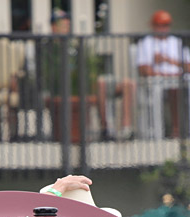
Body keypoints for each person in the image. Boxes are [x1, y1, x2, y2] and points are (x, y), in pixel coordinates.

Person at [42, 9, 135, 141]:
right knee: (98, 85)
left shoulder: (73, 46)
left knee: (126, 84)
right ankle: (106, 128)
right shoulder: (47, 48)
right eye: (63, 25)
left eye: (68, 25)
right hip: (68, 88)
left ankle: (124, 130)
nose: (67, 28)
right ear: (53, 27)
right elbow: (48, 73)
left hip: (87, 83)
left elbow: (86, 67)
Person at [135, 10, 190, 138]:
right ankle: (177, 130)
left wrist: (167, 59)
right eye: (160, 24)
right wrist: (163, 74)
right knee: (175, 88)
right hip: (160, 85)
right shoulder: (146, 43)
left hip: (186, 81)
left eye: (166, 24)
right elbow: (143, 70)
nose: (163, 28)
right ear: (153, 25)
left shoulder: (176, 42)